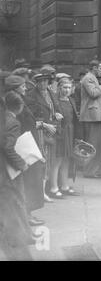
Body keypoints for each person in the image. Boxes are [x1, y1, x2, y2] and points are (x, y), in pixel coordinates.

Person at [4, 75, 45, 226]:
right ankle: (26, 217)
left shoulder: (17, 98)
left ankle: (27, 215)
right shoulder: (15, 101)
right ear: (15, 88)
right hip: (23, 146)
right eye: (22, 86)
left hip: (27, 144)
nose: (25, 88)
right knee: (28, 183)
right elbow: (18, 124)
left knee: (29, 182)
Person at [0, 92, 35, 260]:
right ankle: (20, 236)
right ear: (20, 107)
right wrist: (21, 164)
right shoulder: (13, 122)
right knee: (18, 200)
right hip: (7, 171)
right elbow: (8, 147)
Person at [26, 69, 63, 202]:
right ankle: (40, 193)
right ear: (36, 82)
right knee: (41, 160)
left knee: (49, 160)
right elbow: (31, 116)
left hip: (52, 130)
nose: (43, 84)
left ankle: (44, 191)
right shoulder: (31, 95)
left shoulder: (51, 93)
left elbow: (56, 109)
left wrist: (57, 114)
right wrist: (45, 124)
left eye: (45, 81)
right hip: (40, 131)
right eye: (40, 81)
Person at [79, 59, 101, 179]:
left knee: (95, 144)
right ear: (94, 68)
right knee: (93, 144)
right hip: (92, 116)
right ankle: (89, 171)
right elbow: (93, 93)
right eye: (100, 68)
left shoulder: (91, 77)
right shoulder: (88, 78)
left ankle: (92, 170)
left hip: (94, 116)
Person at [51, 78, 81, 196]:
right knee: (57, 160)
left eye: (69, 88)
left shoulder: (71, 100)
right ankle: (54, 188)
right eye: (64, 87)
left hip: (70, 132)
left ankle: (64, 186)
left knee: (66, 160)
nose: (67, 90)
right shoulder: (56, 102)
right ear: (59, 88)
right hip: (61, 133)